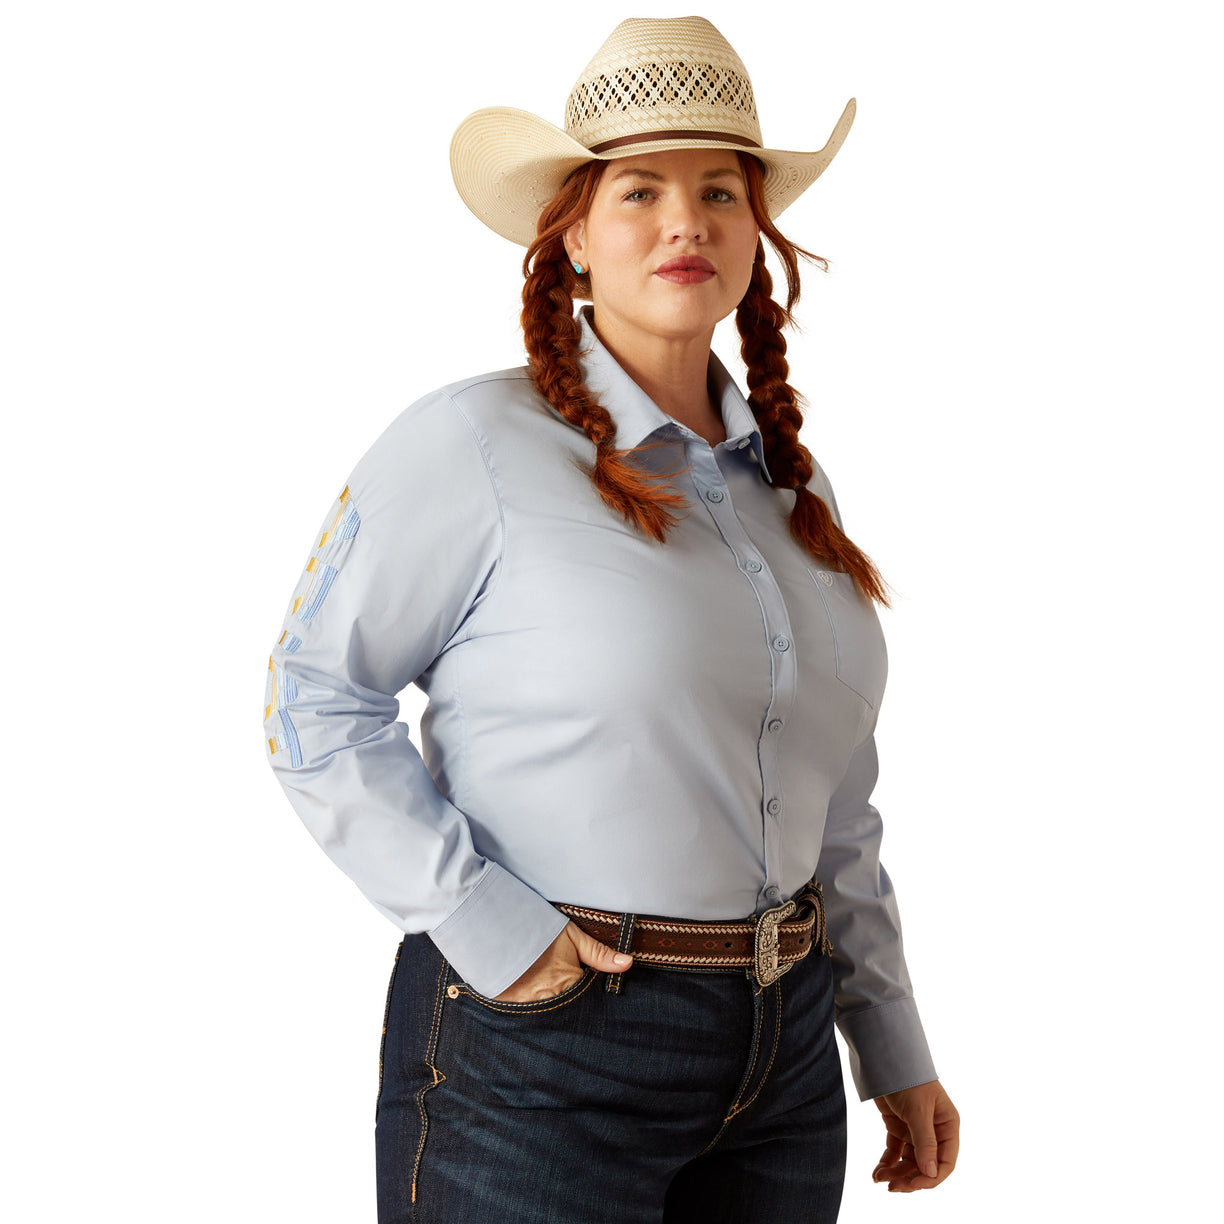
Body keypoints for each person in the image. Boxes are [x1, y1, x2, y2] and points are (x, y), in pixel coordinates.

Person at [263, 15, 959, 1223]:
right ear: (574, 234)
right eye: (640, 190)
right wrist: (493, 934)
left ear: (759, 232)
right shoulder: (473, 445)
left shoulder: (794, 492)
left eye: (720, 191)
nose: (686, 222)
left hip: (785, 1066)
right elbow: (313, 700)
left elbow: (836, 798)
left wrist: (887, 1038)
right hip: (546, 1055)